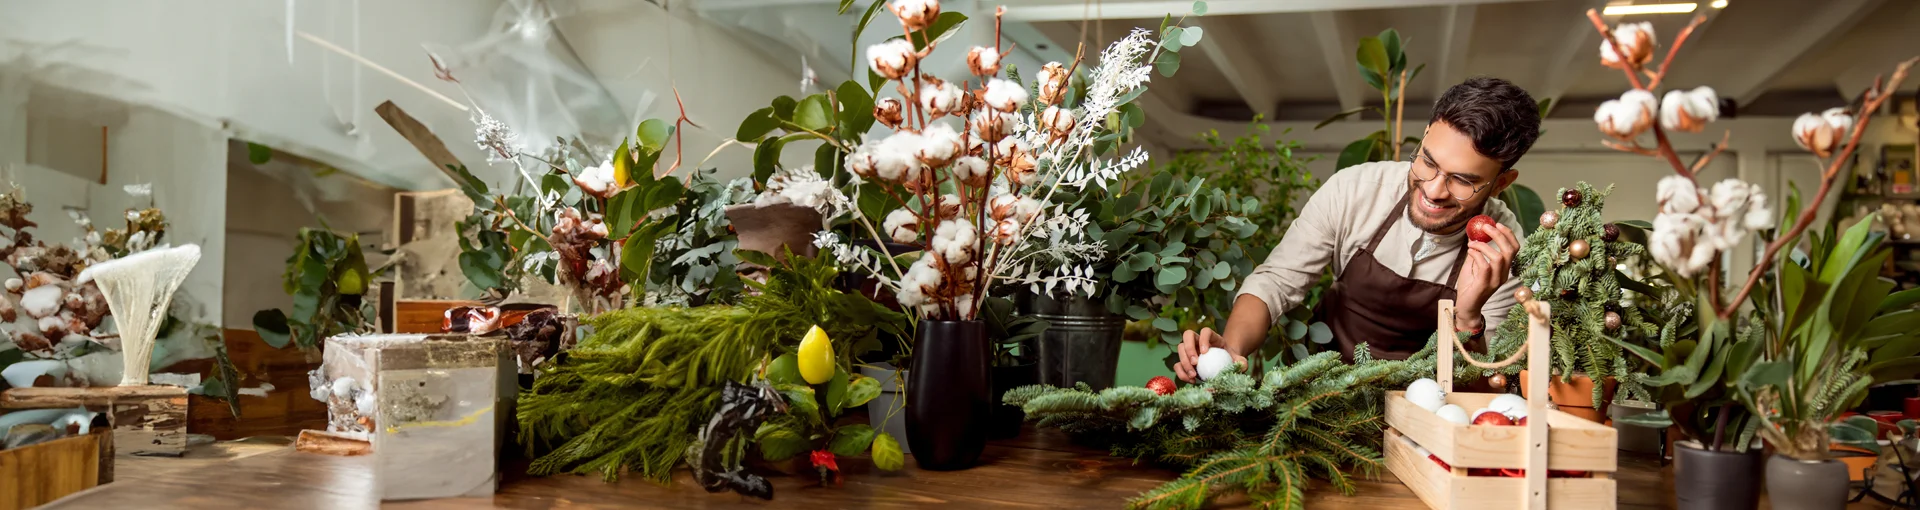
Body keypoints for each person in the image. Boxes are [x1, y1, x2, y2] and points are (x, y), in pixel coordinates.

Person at [1173, 77, 1539, 383]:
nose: (1433, 190)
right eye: (1428, 161)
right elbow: (1277, 282)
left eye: (1462, 180)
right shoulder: (1355, 190)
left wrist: (1468, 316)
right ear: (1425, 135)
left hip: (1415, 408)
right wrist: (1232, 348)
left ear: (1501, 182)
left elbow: (1484, 379)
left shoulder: (1504, 252)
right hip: (1317, 384)